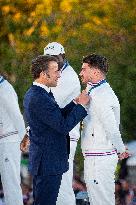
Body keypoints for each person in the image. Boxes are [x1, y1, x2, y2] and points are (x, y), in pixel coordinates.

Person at [23, 55, 89, 205]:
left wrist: (74, 103)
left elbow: (55, 116)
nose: (59, 74)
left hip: (48, 161)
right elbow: (62, 126)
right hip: (47, 163)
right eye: (55, 71)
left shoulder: (41, 93)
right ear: (43, 74)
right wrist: (82, 107)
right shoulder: (38, 97)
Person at [79, 54, 129, 205]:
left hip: (99, 157)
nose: (80, 72)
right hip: (97, 156)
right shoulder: (93, 89)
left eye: (84, 69)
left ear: (95, 73)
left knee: (102, 201)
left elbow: (112, 128)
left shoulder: (102, 95)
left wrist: (120, 149)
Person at [44, 42, 81, 205]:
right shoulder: (54, 75)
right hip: (57, 136)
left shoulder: (68, 77)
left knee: (63, 183)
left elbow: (51, 107)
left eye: (56, 58)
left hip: (65, 136)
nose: (52, 61)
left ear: (63, 57)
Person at [0, 74, 26, 205]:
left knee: (10, 183)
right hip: (4, 141)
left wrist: (24, 140)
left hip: (9, 142)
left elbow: (17, 116)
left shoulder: (5, 89)